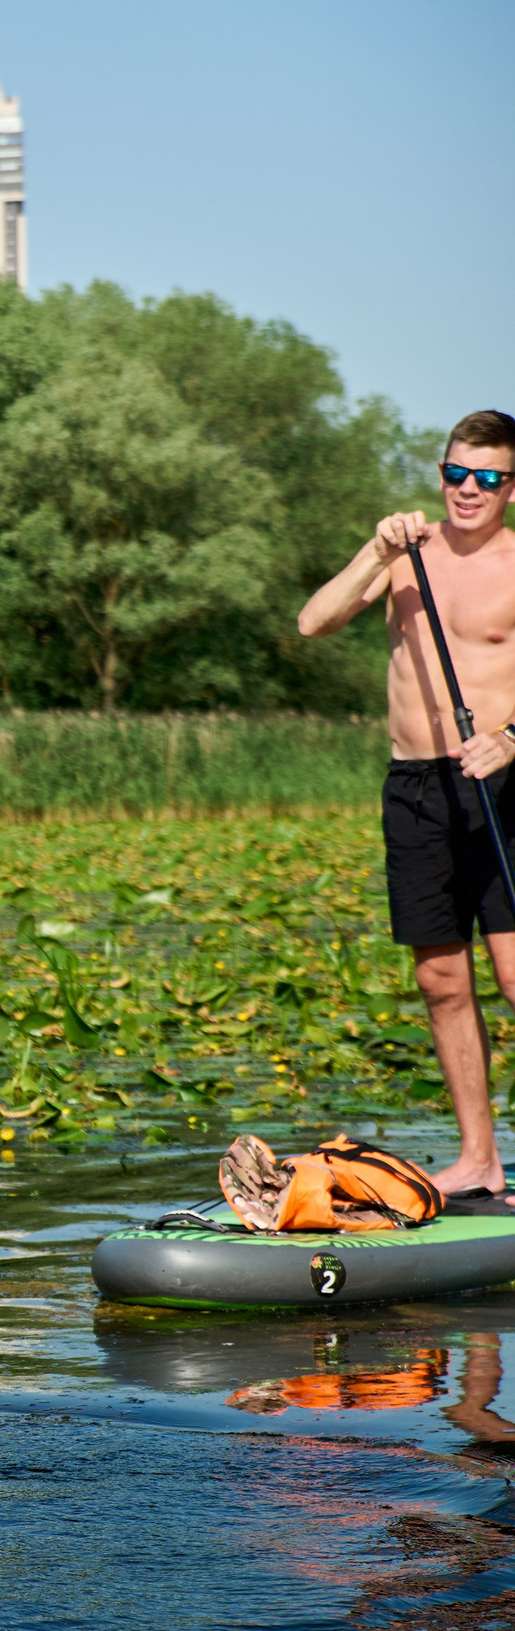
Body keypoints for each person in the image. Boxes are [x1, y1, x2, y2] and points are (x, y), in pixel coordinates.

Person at [299, 409, 515, 1196]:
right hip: (416, 787)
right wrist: (376, 548)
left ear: (511, 488)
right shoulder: (405, 557)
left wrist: (513, 738)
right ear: (440, 474)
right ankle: (480, 1159)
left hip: (501, 780)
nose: (468, 489)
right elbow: (314, 621)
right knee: (440, 978)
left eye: (487, 478)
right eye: (457, 472)